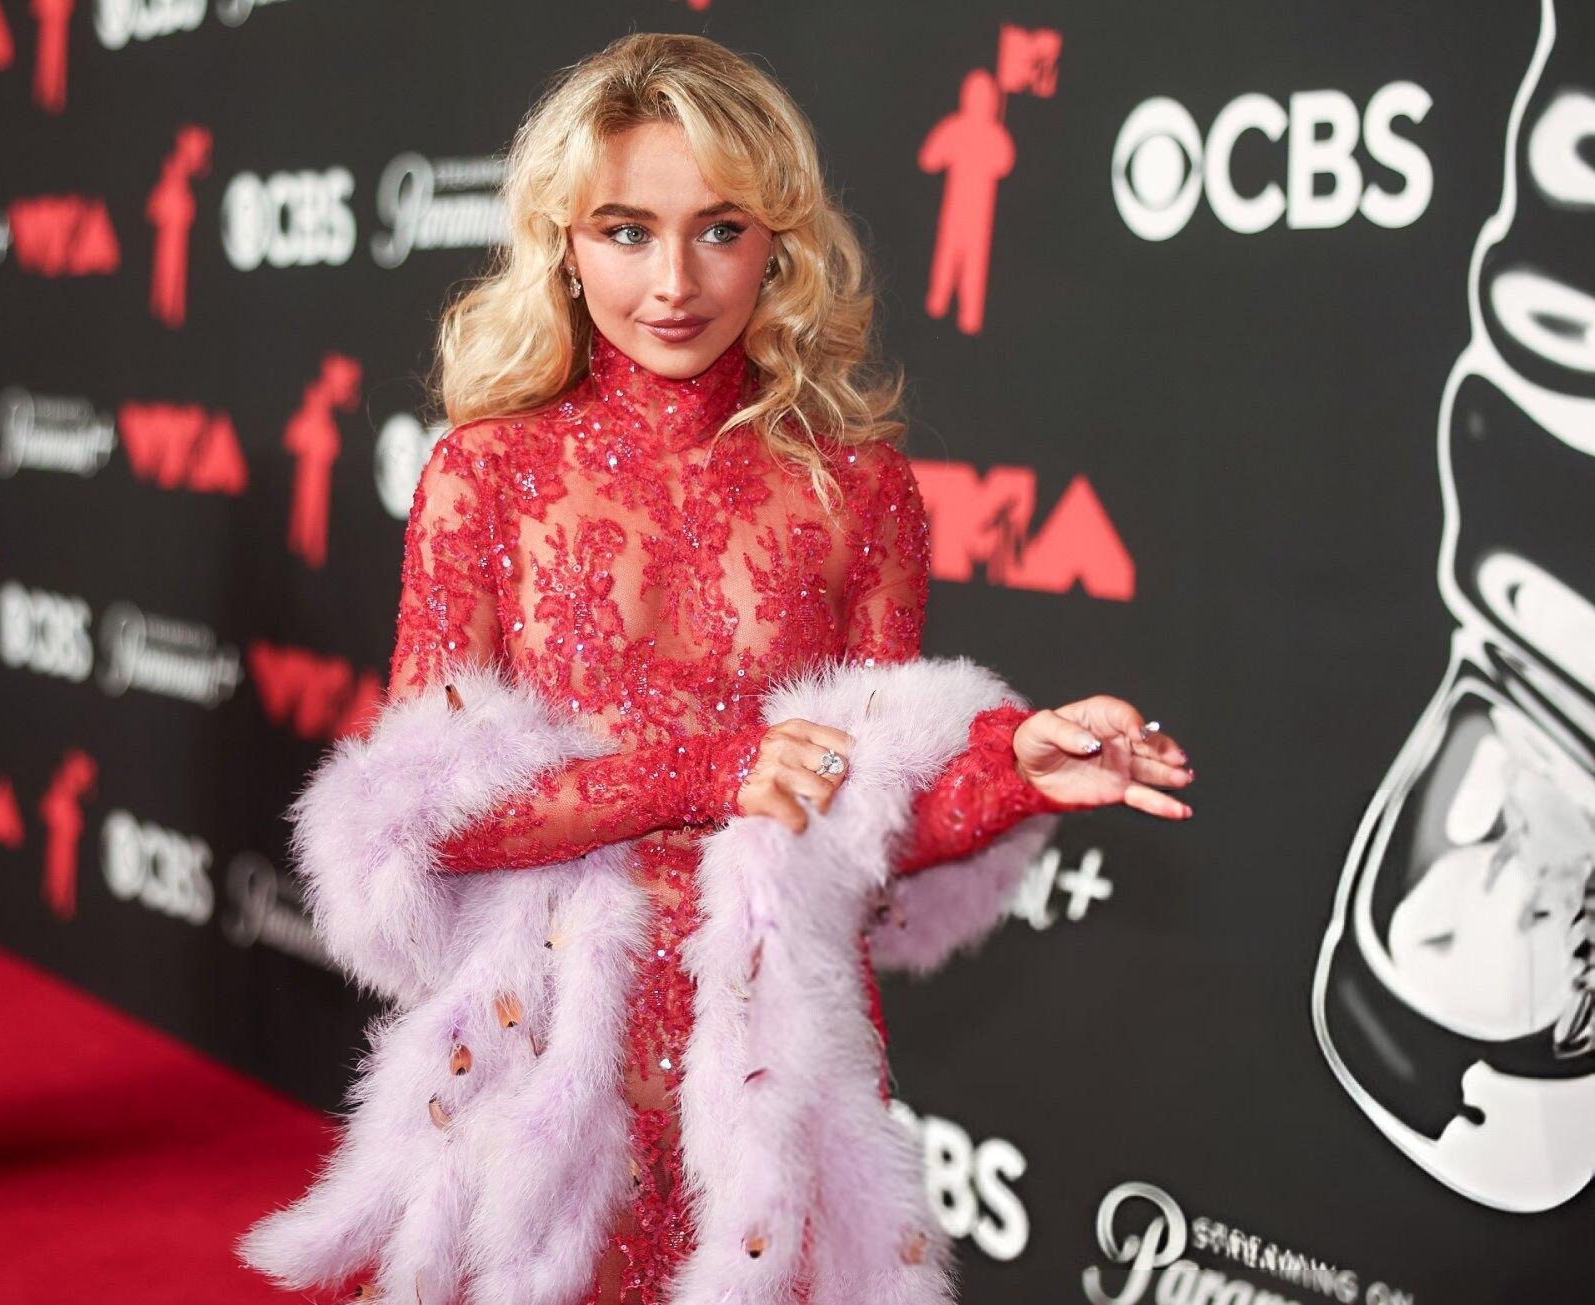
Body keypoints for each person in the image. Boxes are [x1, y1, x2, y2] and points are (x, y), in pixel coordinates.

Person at [242, 33, 1191, 1304]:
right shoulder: (487, 475)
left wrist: (1013, 770)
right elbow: (431, 817)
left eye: (720, 230)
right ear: (563, 245)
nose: (673, 282)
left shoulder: (858, 489)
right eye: (625, 231)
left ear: (778, 243)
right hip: (543, 1058)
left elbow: (863, 816)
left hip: (768, 1069)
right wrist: (707, 773)